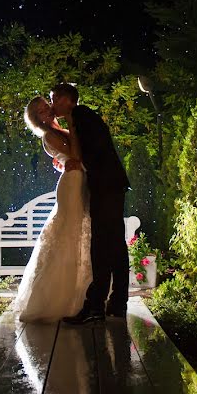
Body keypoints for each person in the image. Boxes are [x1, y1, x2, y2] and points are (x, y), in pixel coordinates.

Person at [51, 83, 131, 324]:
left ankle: (96, 305)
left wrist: (77, 161)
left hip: (106, 186)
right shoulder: (80, 117)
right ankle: (116, 303)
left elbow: (91, 149)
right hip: (110, 185)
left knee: (102, 244)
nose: (52, 104)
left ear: (66, 100)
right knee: (114, 243)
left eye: (53, 99)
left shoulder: (81, 115)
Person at [14, 95, 92, 323]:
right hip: (71, 185)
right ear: (36, 119)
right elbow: (76, 155)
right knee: (68, 233)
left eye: (46, 106)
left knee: (79, 234)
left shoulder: (57, 132)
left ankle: (83, 294)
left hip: (78, 180)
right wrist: (71, 125)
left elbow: (74, 157)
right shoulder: (49, 135)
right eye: (40, 111)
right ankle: (59, 299)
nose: (47, 110)